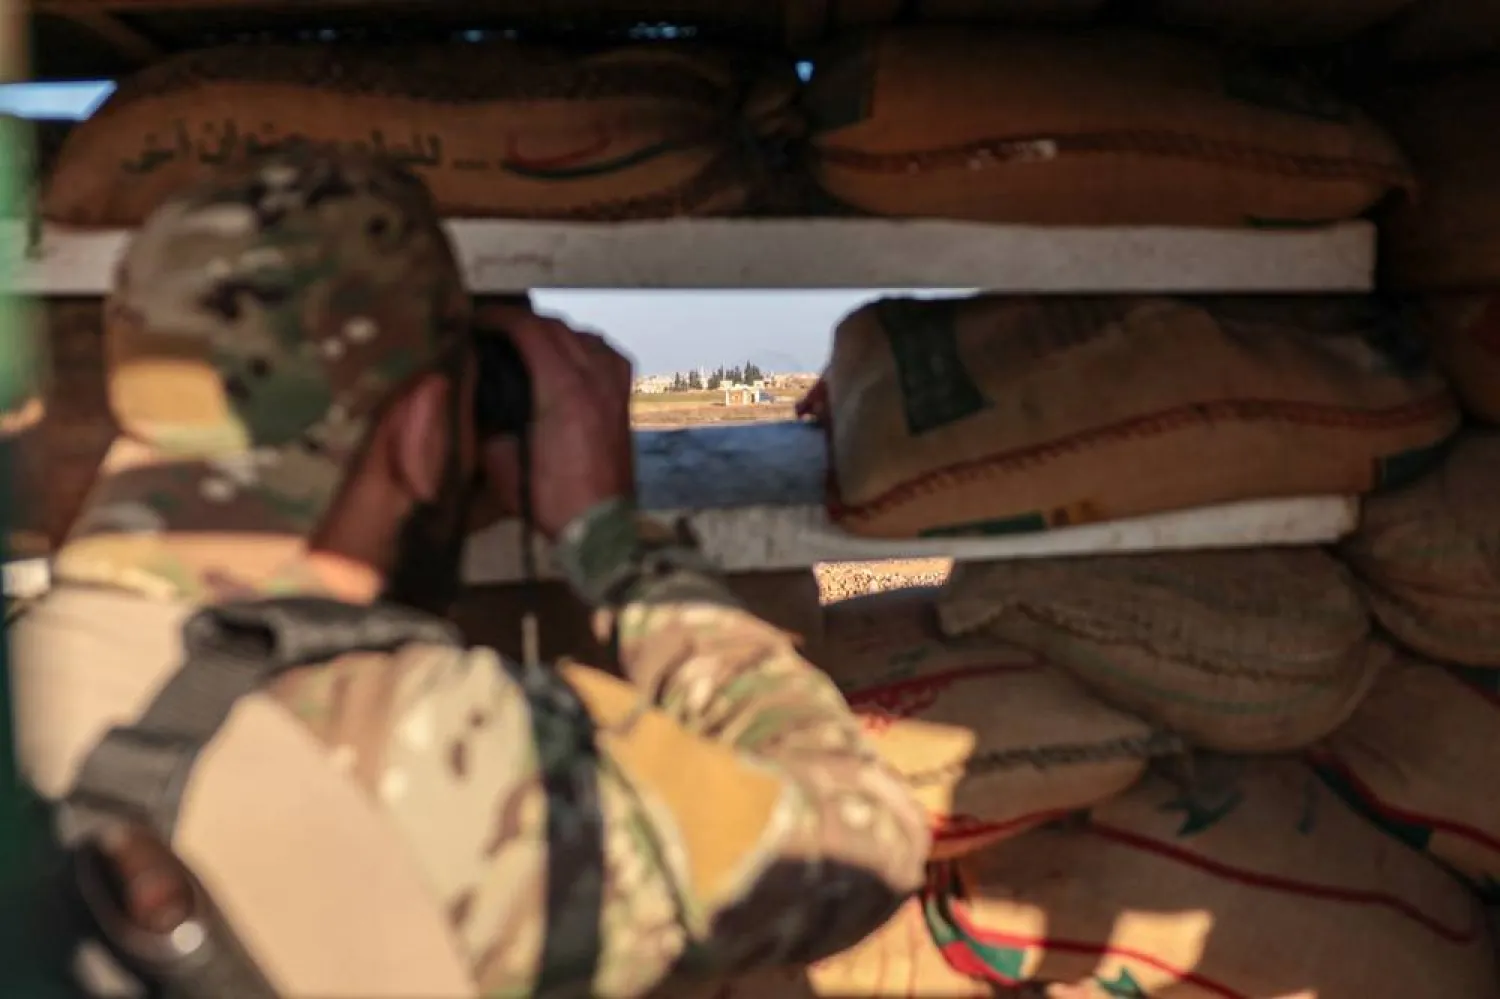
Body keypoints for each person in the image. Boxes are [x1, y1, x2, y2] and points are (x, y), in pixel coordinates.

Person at [7, 147, 930, 998]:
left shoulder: (37, 670)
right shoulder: (428, 741)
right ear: (421, 430)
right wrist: (618, 547)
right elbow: (862, 842)